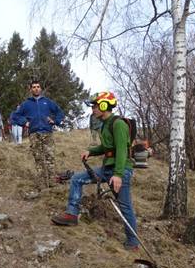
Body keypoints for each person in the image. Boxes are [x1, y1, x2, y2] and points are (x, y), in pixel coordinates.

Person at [51, 92, 140, 251]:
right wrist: (91, 152)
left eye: (95, 105)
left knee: (125, 207)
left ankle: (133, 243)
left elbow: (122, 151)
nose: (93, 109)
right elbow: (106, 148)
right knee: (77, 179)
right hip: (107, 169)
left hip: (120, 170)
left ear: (105, 105)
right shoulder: (104, 124)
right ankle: (72, 214)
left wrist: (118, 175)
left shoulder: (118, 124)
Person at [10, 79, 65, 188]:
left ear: (41, 88)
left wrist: (55, 121)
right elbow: (14, 116)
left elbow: (60, 112)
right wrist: (24, 122)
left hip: (47, 133)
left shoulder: (47, 102)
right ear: (30, 89)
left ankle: (52, 183)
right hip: (34, 134)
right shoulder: (26, 104)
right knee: (39, 159)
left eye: (38, 86)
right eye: (34, 87)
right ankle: (42, 184)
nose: (36, 88)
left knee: (50, 157)